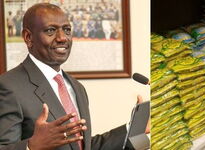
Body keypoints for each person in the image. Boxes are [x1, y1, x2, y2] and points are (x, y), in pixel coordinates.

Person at [0, 3, 148, 150]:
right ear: (28, 37)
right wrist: (31, 147)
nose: (63, 38)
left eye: (67, 30)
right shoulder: (8, 86)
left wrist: (133, 129)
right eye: (51, 30)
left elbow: (83, 146)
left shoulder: (76, 87)